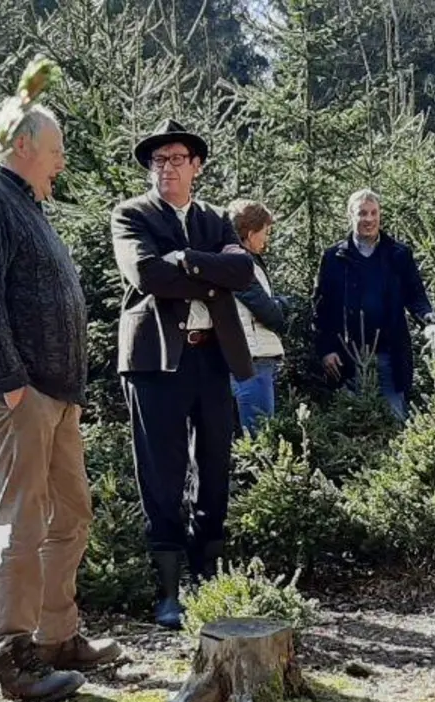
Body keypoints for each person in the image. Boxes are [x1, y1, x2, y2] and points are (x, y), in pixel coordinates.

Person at [0, 105, 120, 702]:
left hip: (55, 393)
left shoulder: (24, 203)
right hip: (16, 396)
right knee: (23, 522)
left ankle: (57, 637)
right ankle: (13, 656)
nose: (63, 161)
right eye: (56, 149)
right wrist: (12, 383)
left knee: (71, 512)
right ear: (22, 144)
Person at [112, 119, 257, 630]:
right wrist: (209, 270)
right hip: (155, 362)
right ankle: (169, 593)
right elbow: (147, 275)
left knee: (215, 465)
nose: (167, 167)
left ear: (196, 166)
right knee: (163, 472)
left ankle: (208, 577)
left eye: (177, 159)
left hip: (211, 357)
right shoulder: (132, 214)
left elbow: (243, 273)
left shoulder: (215, 220)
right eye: (159, 160)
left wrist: (187, 261)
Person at [312, 189, 435, 420]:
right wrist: (326, 349)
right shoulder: (334, 257)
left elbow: (415, 296)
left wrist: (428, 318)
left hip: (389, 356)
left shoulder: (398, 254)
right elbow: (322, 308)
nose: (369, 219)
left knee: (395, 418)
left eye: (374, 213)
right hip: (346, 357)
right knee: (351, 425)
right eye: (362, 213)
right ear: (350, 215)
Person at [226, 199, 288, 435]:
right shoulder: (240, 264)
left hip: (246, 357)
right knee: (258, 435)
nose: (266, 239)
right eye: (265, 231)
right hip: (253, 359)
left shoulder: (234, 261)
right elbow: (269, 314)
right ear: (251, 233)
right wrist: (283, 305)